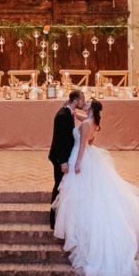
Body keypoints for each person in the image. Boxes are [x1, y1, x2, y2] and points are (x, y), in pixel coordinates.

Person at [53, 98, 139, 276]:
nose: (85, 103)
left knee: (81, 196)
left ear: (91, 108)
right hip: (91, 156)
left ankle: (82, 232)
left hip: (81, 158)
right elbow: (86, 128)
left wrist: (78, 163)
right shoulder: (93, 122)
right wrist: (72, 111)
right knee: (88, 195)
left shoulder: (87, 124)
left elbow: (81, 145)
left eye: (88, 103)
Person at [48, 88, 84, 229]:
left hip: (64, 155)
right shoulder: (63, 115)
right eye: (82, 100)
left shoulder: (68, 112)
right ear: (75, 101)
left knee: (62, 186)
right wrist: (63, 162)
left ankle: (60, 217)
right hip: (59, 157)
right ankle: (53, 220)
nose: (83, 102)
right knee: (58, 186)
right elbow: (60, 141)